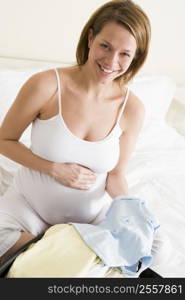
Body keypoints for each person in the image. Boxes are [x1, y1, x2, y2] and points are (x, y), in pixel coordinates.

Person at [0, 0, 169, 269]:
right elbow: (4, 140)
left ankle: (53, 257)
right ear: (90, 38)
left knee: (158, 247)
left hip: (89, 224)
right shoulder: (46, 85)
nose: (112, 62)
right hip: (28, 210)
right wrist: (52, 168)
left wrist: (132, 208)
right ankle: (68, 260)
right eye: (105, 46)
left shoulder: (132, 109)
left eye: (125, 54)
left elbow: (115, 175)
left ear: (136, 56)